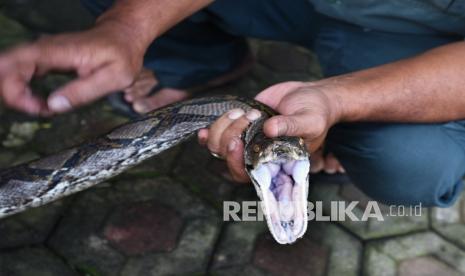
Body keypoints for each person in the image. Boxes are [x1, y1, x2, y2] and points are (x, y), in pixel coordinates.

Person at [0, 0, 465, 207]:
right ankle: (201, 62)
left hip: (433, 40)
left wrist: (337, 99)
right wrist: (127, 26)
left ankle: (335, 127)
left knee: (412, 166)